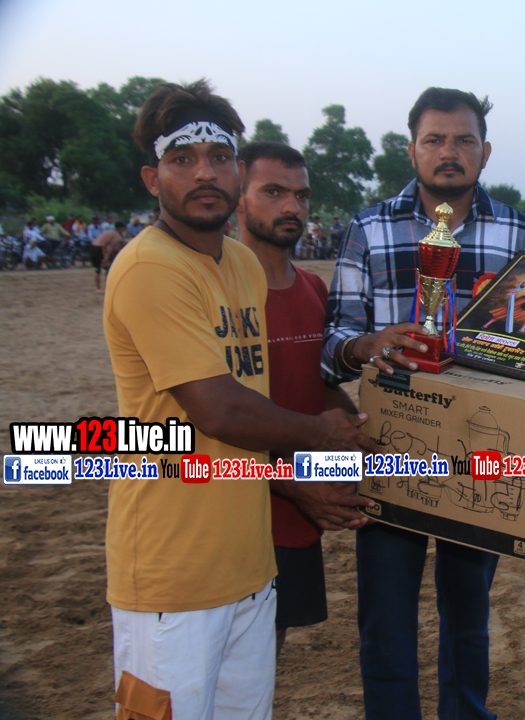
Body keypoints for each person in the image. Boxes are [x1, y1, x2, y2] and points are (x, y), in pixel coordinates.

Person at [104, 79, 376, 720]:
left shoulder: (242, 265)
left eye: (219, 157)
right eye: (183, 159)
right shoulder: (149, 267)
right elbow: (221, 409)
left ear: (236, 171)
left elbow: (259, 395)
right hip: (172, 572)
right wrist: (323, 433)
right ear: (153, 178)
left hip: (250, 565)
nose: (205, 173)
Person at [322, 86, 525, 720]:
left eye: (464, 140)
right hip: (388, 447)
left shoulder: (514, 230)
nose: (450, 152)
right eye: (435, 139)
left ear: (485, 152)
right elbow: (332, 340)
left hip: (476, 450)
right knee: (385, 617)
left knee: (469, 616)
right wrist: (366, 344)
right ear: (411, 148)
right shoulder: (369, 227)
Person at [236, 140, 376, 657]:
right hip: (234, 510)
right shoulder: (215, 289)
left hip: (293, 517)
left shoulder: (314, 289)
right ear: (237, 194)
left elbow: (319, 385)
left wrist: (375, 441)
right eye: (273, 192)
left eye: (301, 195)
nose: (292, 206)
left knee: (262, 662)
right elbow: (210, 420)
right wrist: (295, 486)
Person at [90, 223, 124, 293]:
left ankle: (98, 288)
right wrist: (106, 257)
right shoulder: (116, 235)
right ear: (120, 229)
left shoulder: (107, 232)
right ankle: (107, 288)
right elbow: (111, 247)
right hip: (100, 248)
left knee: (97, 270)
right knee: (107, 269)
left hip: (93, 247)